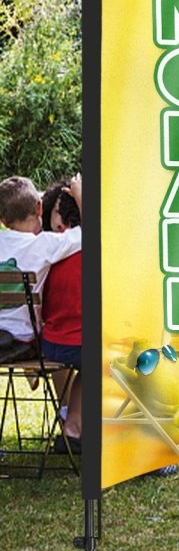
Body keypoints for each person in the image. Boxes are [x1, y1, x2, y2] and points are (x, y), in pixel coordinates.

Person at [0, 175, 82, 364]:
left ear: (2, 220)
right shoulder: (44, 244)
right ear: (39, 208)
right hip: (24, 342)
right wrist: (80, 197)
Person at [40, 177, 83, 452]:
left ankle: (72, 427)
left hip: (48, 345)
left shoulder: (44, 249)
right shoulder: (91, 246)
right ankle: (75, 427)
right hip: (78, 344)